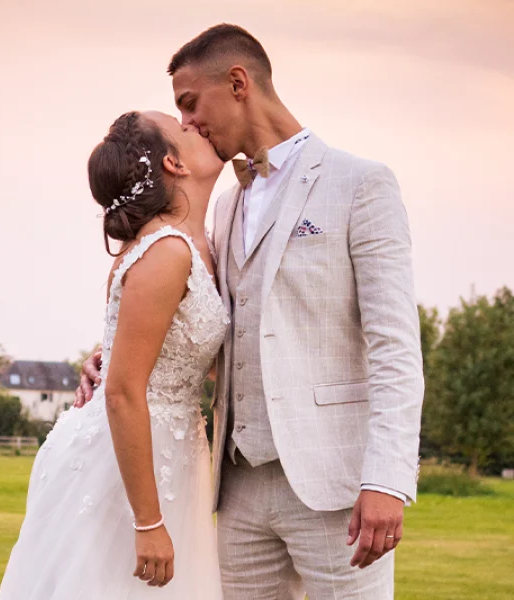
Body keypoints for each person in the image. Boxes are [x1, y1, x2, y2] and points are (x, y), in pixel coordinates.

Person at [77, 24, 424, 599]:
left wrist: (387, 479)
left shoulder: (359, 184)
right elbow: (210, 325)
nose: (187, 123)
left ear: (238, 83)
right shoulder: (223, 205)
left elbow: (395, 346)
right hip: (235, 488)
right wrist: (115, 357)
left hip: (334, 487)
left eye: (190, 104)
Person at [0, 110, 228, 599]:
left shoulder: (197, 243)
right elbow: (123, 391)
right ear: (174, 164)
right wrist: (148, 522)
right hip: (126, 460)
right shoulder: (166, 251)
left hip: (172, 451)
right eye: (183, 129)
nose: (196, 126)